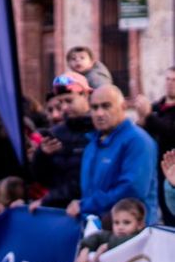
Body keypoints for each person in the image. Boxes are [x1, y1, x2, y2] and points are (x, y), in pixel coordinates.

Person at [67, 85, 159, 224]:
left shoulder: (138, 141)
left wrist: (86, 205)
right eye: (94, 107)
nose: (99, 113)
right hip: (98, 231)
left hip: (132, 236)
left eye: (106, 106)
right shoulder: (92, 144)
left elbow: (132, 191)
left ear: (122, 107)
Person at [30, 74, 94, 211]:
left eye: (69, 101)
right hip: (61, 211)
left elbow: (85, 181)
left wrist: (48, 200)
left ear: (85, 95)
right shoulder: (56, 133)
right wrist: (41, 156)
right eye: (61, 103)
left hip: (88, 210)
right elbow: (42, 178)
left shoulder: (98, 130)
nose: (64, 108)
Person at [75, 197, 146, 262]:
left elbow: (132, 241)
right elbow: (97, 237)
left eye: (126, 222)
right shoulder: (111, 236)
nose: (120, 227)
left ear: (139, 225)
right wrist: (86, 248)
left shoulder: (144, 238)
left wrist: (108, 246)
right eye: (116, 222)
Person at [144, 66, 175, 224]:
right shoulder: (156, 107)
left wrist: (148, 116)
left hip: (171, 169)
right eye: (168, 79)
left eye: (174, 80)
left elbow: (170, 130)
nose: (170, 83)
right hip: (153, 168)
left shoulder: (152, 112)